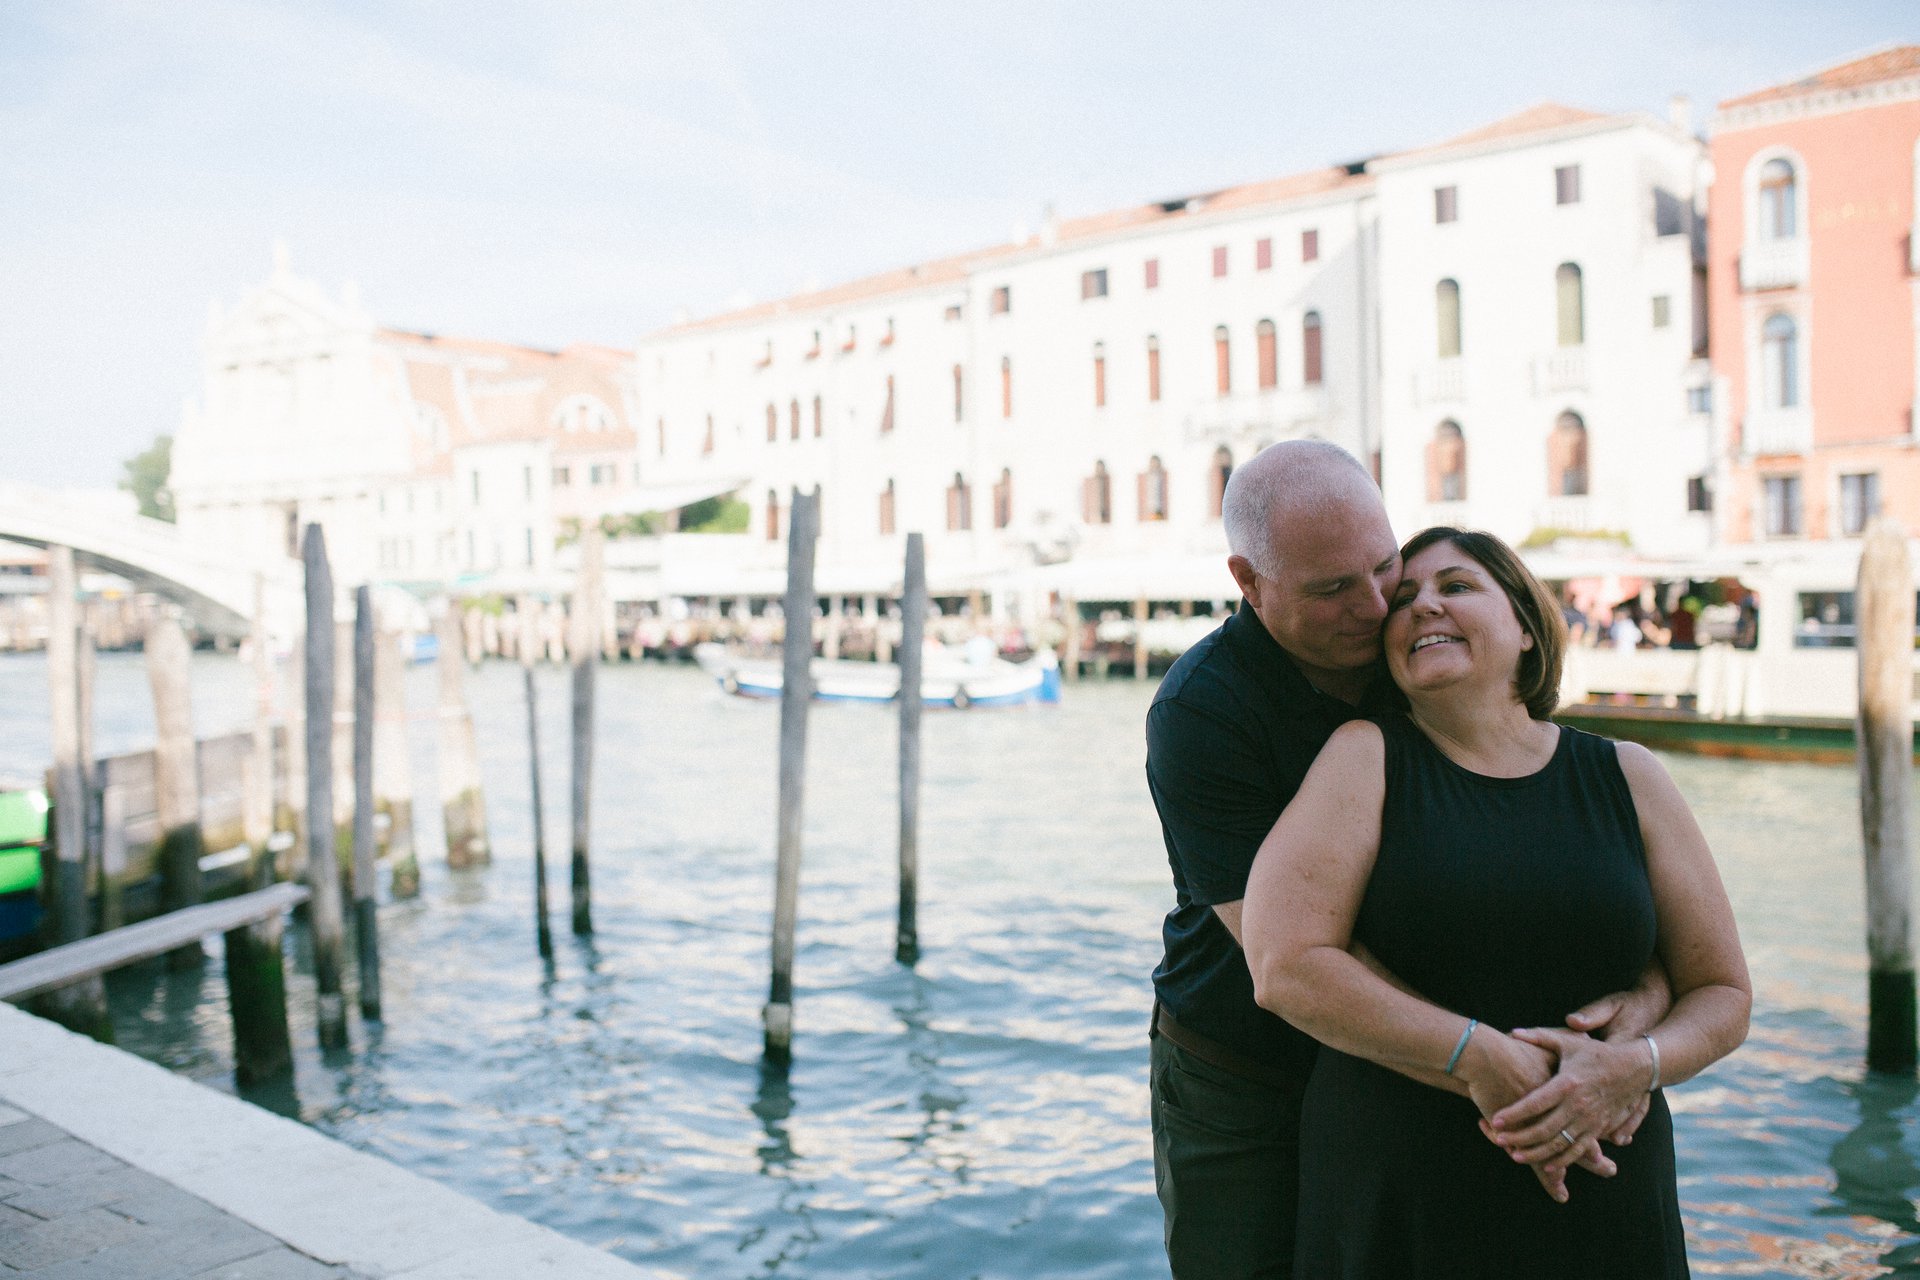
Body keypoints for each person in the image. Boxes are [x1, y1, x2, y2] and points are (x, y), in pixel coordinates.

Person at [1145, 444, 1667, 1279]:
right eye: (1330, 590)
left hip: (1443, 1059)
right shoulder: (1201, 713)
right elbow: (1294, 953)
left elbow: (1542, 853)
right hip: (1245, 1072)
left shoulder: (1414, 647)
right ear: (1249, 580)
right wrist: (1500, 1065)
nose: (1373, 605)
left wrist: (1648, 990)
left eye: (1383, 566)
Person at [1241, 526, 1751, 1278]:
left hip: (1606, 1177)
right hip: (1404, 1184)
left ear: (1525, 626)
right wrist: (1478, 1056)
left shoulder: (1628, 775)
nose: (1421, 608)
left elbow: (1723, 992)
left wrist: (1632, 1067)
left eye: (1455, 587)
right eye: (1404, 600)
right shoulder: (1365, 756)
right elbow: (1285, 965)